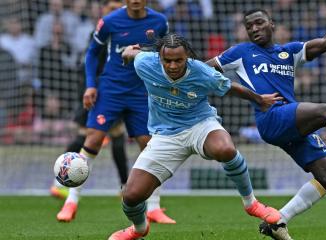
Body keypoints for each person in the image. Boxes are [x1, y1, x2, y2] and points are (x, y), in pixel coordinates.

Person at [206, 4, 326, 240]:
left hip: (290, 122)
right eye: (249, 26)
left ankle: (278, 221)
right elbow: (205, 71)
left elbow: (325, 43)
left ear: (272, 25)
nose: (254, 29)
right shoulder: (241, 52)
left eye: (259, 23)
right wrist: (248, 95)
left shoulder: (289, 51)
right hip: (271, 118)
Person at [107, 33, 282, 240]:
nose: (173, 66)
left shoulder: (201, 72)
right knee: (130, 196)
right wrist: (129, 53)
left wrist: (259, 99)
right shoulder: (145, 63)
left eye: (178, 60)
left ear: (187, 56)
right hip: (165, 135)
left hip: (200, 125)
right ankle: (139, 228)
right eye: (167, 61)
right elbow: (132, 53)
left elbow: (231, 87)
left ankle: (251, 204)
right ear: (159, 58)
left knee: (225, 149)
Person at [56, 0, 175, 224]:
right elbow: (92, 54)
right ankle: (70, 202)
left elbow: (165, 52)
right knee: (93, 139)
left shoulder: (159, 22)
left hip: (141, 90)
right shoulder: (110, 21)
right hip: (111, 89)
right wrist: (91, 85)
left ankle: (154, 207)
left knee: (149, 145)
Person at [49, 0, 129, 201]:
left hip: (113, 93)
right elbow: (90, 65)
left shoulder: (124, 33)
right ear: (103, 11)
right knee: (85, 138)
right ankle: (59, 183)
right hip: (95, 93)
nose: (114, 12)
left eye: (117, 9)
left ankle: (125, 186)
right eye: (110, 8)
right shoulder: (99, 34)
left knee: (116, 142)